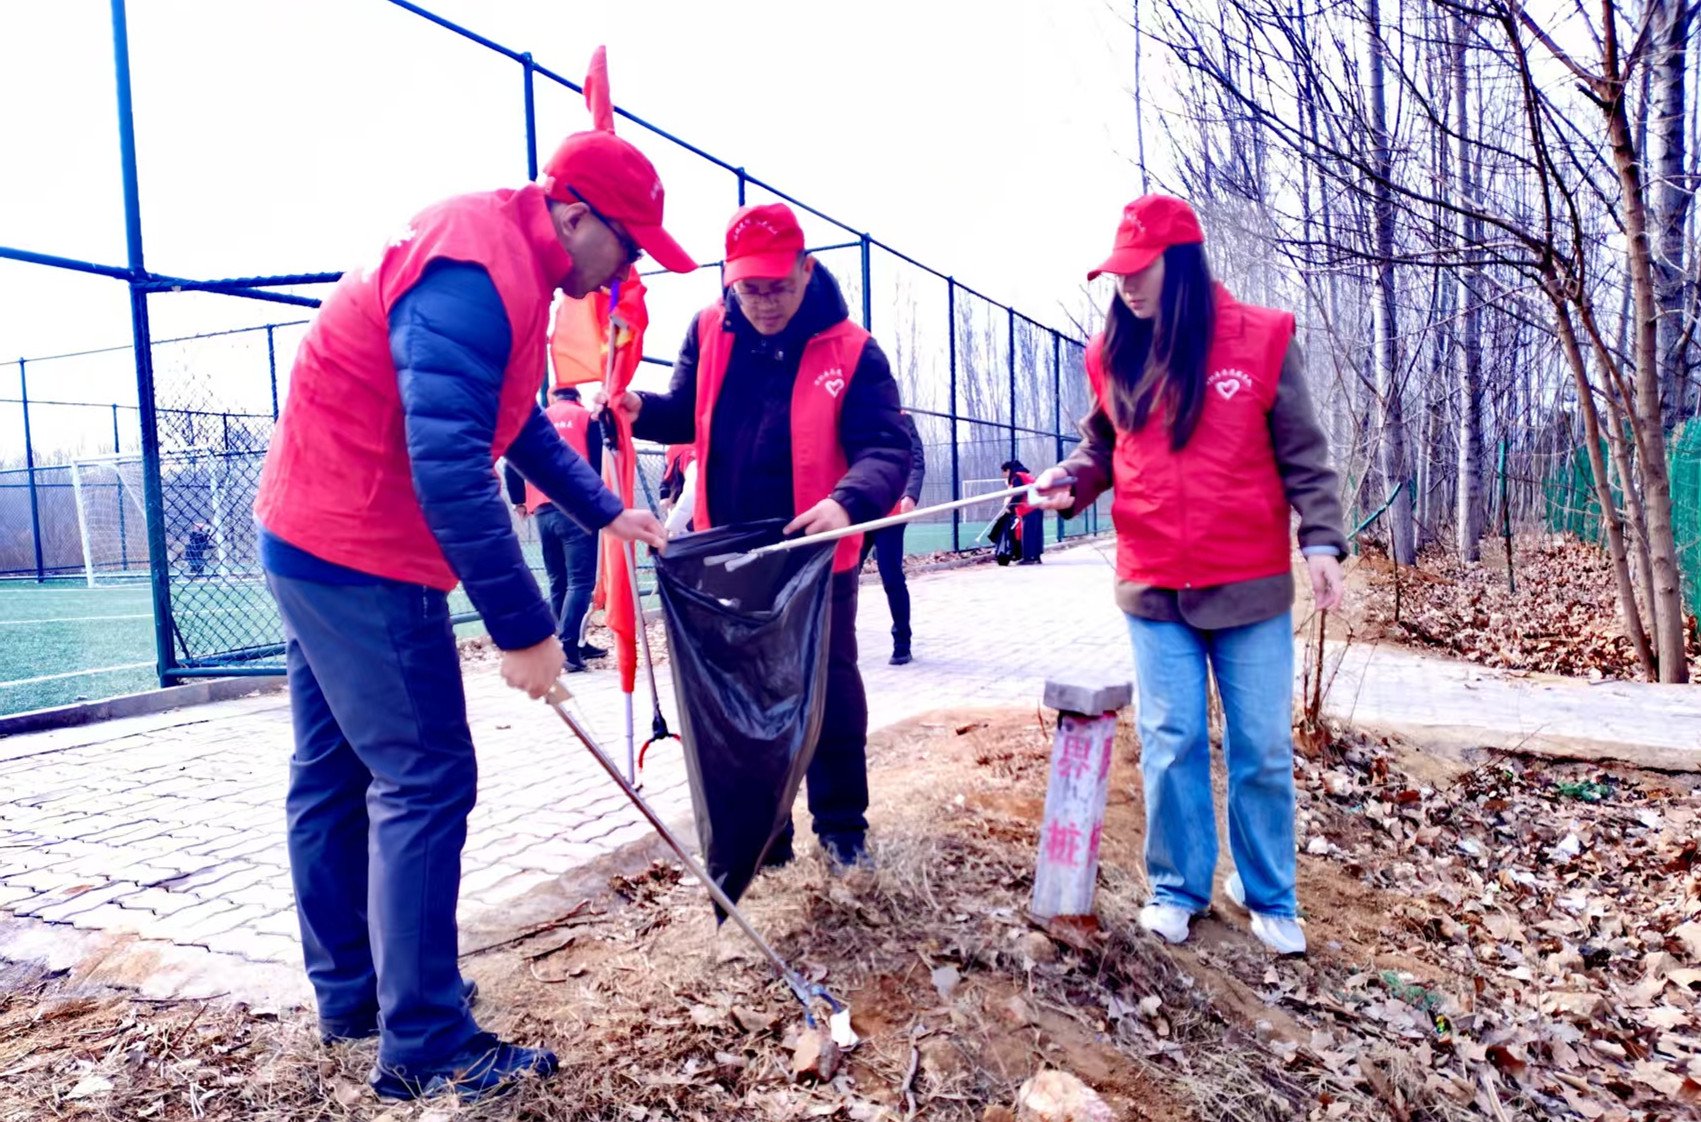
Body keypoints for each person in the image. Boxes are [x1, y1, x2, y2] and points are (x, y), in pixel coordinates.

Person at [252, 130, 691, 1101]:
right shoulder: (475, 269)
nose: (628, 274)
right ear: (577, 215)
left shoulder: (513, 260)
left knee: (331, 773)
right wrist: (527, 629)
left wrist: (607, 510)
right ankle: (425, 1045)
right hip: (359, 547)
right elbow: (450, 463)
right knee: (427, 777)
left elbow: (516, 419)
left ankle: (359, 998)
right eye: (628, 248)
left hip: (309, 530)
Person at [1029, 195, 1347, 956]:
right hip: (1154, 580)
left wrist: (1322, 542)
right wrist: (1074, 478)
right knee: (1169, 739)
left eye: (1141, 271)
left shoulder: (1263, 338)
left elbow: (1303, 451)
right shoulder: (1112, 350)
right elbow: (1103, 443)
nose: (1128, 286)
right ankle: (1178, 887)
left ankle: (1267, 891)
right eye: (1118, 273)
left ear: (1182, 262)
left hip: (1248, 581)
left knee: (1262, 745)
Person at [605, 202, 910, 870]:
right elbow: (686, 411)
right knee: (743, 697)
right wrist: (640, 409)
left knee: (827, 686)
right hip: (730, 552)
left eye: (778, 286)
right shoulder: (709, 330)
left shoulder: (852, 349)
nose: (765, 303)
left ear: (806, 271)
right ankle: (764, 839)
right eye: (751, 289)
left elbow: (887, 446)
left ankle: (841, 827)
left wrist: (846, 501)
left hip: (813, 547)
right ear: (729, 281)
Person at [504, 386, 605, 671]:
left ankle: (571, 642)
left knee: (558, 580)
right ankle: (569, 647)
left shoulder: (538, 419)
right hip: (576, 508)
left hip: (542, 510)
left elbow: (513, 462)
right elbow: (598, 463)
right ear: (577, 398)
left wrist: (519, 501)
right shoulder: (586, 418)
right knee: (581, 581)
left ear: (553, 398)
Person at [859, 409, 925, 664]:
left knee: (891, 576)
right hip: (860, 510)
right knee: (844, 576)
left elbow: (917, 460)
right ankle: (838, 638)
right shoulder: (854, 416)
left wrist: (911, 494)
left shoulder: (901, 418)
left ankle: (902, 641)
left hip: (891, 511)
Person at [999, 459, 1045, 565]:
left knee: (1028, 533)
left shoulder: (1016, 477)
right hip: (1037, 506)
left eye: (1004, 472)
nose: (1003, 475)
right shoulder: (1027, 475)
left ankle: (1028, 557)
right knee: (1036, 533)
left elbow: (1018, 493)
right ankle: (1036, 556)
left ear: (1008, 470)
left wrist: (1010, 507)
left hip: (1028, 507)